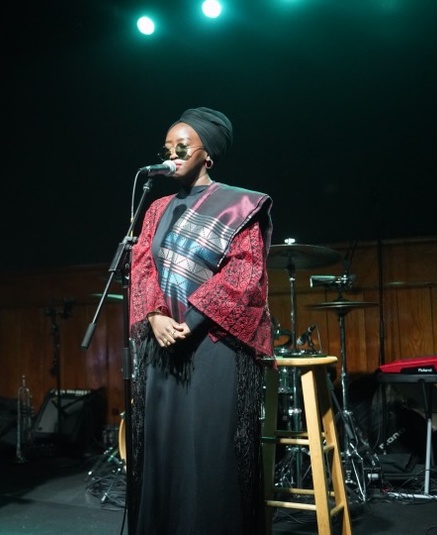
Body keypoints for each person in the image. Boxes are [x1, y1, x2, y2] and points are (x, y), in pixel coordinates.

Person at [128, 107, 273, 534]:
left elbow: (244, 274)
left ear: (207, 154)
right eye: (167, 148)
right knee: (164, 450)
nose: (171, 154)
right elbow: (141, 266)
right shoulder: (155, 207)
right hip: (162, 344)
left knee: (209, 455)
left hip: (213, 344)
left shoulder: (240, 204)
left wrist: (190, 321)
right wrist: (154, 315)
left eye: (182, 147)